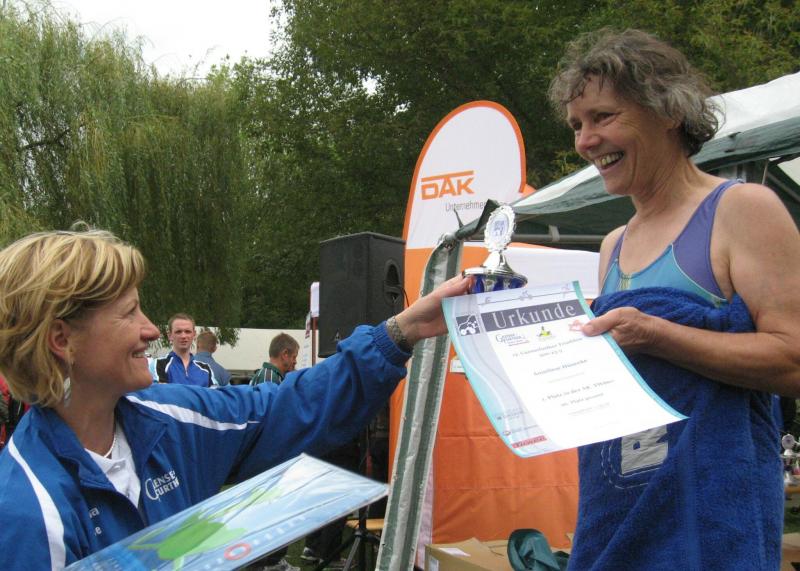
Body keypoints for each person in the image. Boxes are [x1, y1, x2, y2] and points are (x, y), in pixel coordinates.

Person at [0, 228, 470, 570]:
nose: (149, 330)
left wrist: (401, 331)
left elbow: (288, 407)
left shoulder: (173, 418)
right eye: (128, 313)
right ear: (62, 340)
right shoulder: (27, 513)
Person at [548, 28, 800, 570]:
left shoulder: (742, 209)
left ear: (668, 110)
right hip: (622, 511)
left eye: (602, 117)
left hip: (707, 521)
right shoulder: (613, 246)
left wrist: (658, 334)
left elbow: (794, 360)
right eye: (577, 125)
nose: (586, 141)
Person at [152, 313, 216, 386]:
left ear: (194, 334)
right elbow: (161, 392)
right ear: (170, 335)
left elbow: (214, 393)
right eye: (178, 332)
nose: (183, 336)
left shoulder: (206, 369)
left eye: (187, 331)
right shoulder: (158, 365)